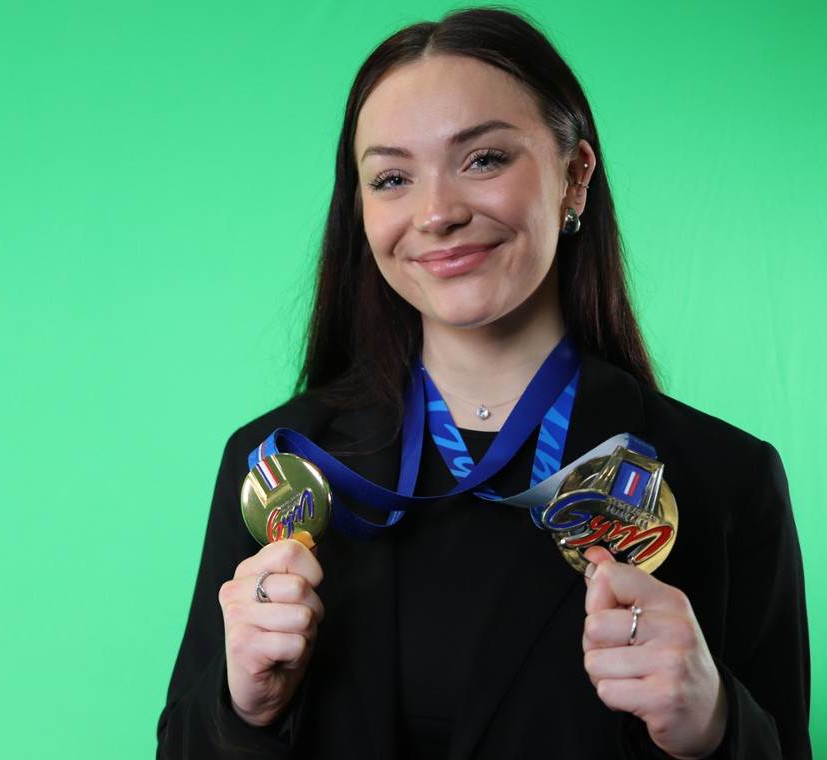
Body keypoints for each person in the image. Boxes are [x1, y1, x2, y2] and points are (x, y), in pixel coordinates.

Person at [158, 8, 810, 758]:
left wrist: (714, 727)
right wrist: (243, 707)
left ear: (575, 177)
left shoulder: (724, 481)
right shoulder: (280, 468)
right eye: (393, 177)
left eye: (484, 160)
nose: (437, 213)